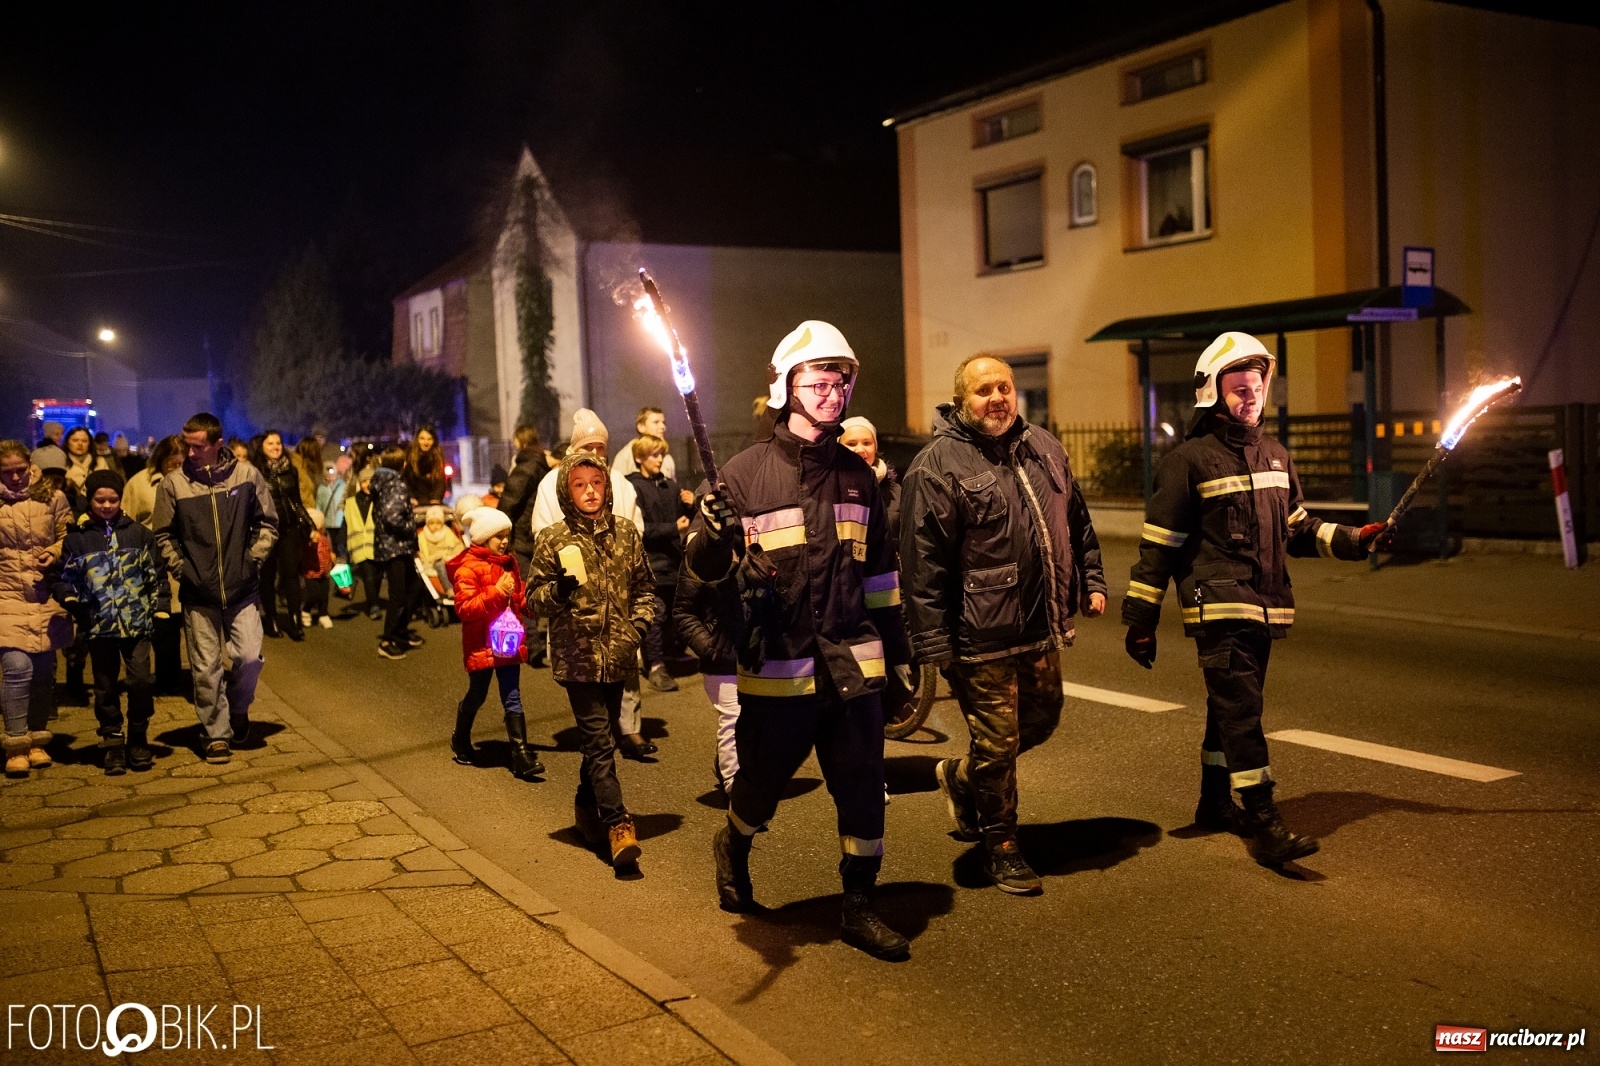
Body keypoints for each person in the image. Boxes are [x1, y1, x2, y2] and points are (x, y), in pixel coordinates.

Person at [1121, 332, 1393, 867]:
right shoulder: (1189, 462)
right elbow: (1160, 547)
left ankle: (1214, 802)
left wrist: (1356, 541)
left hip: (1266, 602)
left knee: (1229, 710)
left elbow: (1296, 527)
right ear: (1213, 394)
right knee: (1243, 711)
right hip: (1219, 606)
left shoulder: (1275, 455)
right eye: (1239, 389)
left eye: (1257, 387)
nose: (1251, 398)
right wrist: (1141, 619)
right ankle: (1265, 822)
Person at [689, 319, 913, 961]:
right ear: (787, 386)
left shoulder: (858, 477)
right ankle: (733, 841)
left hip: (852, 669)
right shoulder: (740, 474)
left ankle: (859, 906)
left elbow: (881, 578)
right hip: (779, 672)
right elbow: (701, 576)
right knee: (759, 790)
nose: (830, 390)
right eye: (816, 378)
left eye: (840, 380)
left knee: (864, 788)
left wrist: (897, 663)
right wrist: (710, 535)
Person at [900, 355, 1107, 895]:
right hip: (978, 635)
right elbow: (923, 564)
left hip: (1039, 623)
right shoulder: (936, 466)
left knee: (1042, 719)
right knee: (997, 745)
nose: (997, 397)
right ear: (961, 401)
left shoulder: (1045, 448)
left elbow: (1076, 521)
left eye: (1005, 387)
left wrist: (1094, 580)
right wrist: (933, 643)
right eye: (983, 390)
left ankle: (958, 777)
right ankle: (1003, 845)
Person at [528, 452, 654, 869]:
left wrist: (636, 629)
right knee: (600, 743)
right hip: (578, 658)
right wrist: (558, 592)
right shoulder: (552, 539)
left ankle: (586, 810)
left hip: (617, 657)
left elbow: (645, 590)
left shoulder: (626, 535)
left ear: (607, 486)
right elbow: (532, 602)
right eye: (579, 485)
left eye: (596, 483)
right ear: (567, 491)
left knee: (599, 745)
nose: (589, 492)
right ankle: (619, 828)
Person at [151, 413, 278, 765]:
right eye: (186, 444)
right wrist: (183, 570)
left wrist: (251, 561)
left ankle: (239, 709)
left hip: (242, 589)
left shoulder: (247, 476)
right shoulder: (173, 485)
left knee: (249, 657)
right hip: (198, 594)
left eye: (197, 446)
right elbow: (163, 535)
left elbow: (267, 522)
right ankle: (216, 733)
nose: (189, 452)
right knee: (205, 668)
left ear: (217, 444)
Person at [529, 409, 651, 757]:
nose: (597, 454)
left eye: (601, 447)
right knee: (587, 670)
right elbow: (544, 533)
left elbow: (634, 527)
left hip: (618, 588)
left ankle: (630, 728)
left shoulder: (620, 484)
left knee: (625, 658)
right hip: (577, 595)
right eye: (589, 446)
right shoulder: (552, 485)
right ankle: (599, 734)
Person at [54, 469, 163, 774]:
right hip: (99, 625)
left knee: (140, 680)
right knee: (104, 687)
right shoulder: (78, 539)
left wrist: (160, 605)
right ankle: (112, 742)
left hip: (136, 623)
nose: (106, 505)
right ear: (89, 500)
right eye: (99, 499)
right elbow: (63, 576)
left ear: (120, 500)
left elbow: (155, 572)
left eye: (112, 499)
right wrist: (70, 599)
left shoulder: (139, 534)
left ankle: (138, 736)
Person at [449, 507, 544, 781]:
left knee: (512, 696)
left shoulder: (507, 563)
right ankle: (461, 738)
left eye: (507, 535)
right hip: (481, 644)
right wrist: (496, 592)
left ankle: (521, 753)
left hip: (508, 641)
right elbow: (465, 608)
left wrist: (538, 605)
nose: (504, 541)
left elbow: (520, 600)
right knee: (477, 695)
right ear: (482, 537)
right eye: (498, 536)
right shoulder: (467, 569)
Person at [0, 440, 72, 776]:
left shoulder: (52, 496)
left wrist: (55, 553)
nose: (15, 478)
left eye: (19, 470)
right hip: (7, 596)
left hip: (45, 596)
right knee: (16, 667)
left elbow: (67, 534)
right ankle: (16, 743)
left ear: (30, 465)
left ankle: (38, 740)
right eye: (6, 472)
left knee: (43, 672)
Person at [625, 435, 692, 693]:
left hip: (673, 564)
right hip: (650, 563)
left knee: (672, 615)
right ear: (640, 458)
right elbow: (638, 528)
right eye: (654, 455)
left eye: (661, 454)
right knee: (656, 614)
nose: (660, 459)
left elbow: (687, 520)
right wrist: (672, 528)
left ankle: (668, 654)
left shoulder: (670, 487)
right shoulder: (633, 487)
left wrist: (691, 505)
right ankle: (655, 665)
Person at [123, 435, 186, 694]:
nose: (177, 462)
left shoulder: (193, 481)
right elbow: (127, 520)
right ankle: (160, 679)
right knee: (160, 623)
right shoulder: (140, 484)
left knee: (181, 622)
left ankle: (175, 678)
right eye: (172, 458)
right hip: (150, 563)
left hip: (184, 560)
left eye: (182, 458)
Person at [673, 559, 741, 794]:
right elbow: (683, 613)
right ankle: (735, 791)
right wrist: (710, 649)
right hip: (722, 659)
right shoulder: (701, 552)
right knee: (734, 720)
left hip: (762, 655)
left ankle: (725, 767)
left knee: (765, 725)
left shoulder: (763, 536)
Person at [253, 431, 311, 641]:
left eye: (278, 443)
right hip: (266, 530)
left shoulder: (290, 470)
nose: (276, 447)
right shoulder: (255, 471)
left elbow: (296, 501)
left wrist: (308, 523)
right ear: (262, 447)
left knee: (291, 574)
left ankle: (295, 620)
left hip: (288, 529)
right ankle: (272, 619)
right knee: (267, 577)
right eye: (271, 443)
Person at [372, 446, 422, 660]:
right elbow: (392, 517)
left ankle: (400, 631)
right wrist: (410, 525)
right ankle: (388, 639)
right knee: (398, 595)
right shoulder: (396, 483)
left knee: (414, 587)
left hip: (393, 545)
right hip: (396, 546)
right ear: (401, 464)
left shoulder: (382, 482)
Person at [497, 425, 548, 576]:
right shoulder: (540, 462)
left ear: (520, 440)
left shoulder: (527, 466)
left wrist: (499, 530)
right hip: (532, 532)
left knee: (521, 584)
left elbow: (509, 501)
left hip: (521, 535)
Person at [839, 417, 901, 542]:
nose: (861, 450)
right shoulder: (828, 489)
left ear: (875, 447)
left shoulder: (895, 492)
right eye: (851, 444)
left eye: (867, 443)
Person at [342, 466, 382, 621]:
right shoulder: (351, 502)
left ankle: (373, 600)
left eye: (371, 481)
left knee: (377, 576)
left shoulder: (380, 500)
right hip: (359, 547)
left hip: (377, 546)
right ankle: (373, 606)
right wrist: (340, 546)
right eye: (365, 481)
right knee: (369, 575)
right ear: (360, 483)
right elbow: (345, 525)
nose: (368, 485)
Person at [612, 406, 678, 481]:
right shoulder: (626, 456)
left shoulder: (667, 458)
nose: (663, 426)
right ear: (641, 427)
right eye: (656, 422)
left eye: (663, 422)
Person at [418, 505, 464, 599]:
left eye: (438, 523)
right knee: (440, 565)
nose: (435, 526)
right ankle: (449, 589)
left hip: (449, 556)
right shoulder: (423, 536)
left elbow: (458, 546)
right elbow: (421, 553)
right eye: (432, 523)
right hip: (434, 560)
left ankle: (463, 589)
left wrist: (454, 555)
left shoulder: (447, 532)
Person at [300, 508, 334, 630]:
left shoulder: (325, 535)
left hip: (324, 571)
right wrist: (311, 541)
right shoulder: (307, 537)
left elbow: (328, 548)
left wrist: (331, 555)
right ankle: (306, 611)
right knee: (314, 594)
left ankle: (323, 615)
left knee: (324, 596)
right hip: (311, 571)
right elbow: (306, 550)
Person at [63, 426, 112, 501]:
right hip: (70, 506)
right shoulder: (62, 462)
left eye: (84, 441)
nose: (80, 444)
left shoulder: (100, 461)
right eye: (75, 440)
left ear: (89, 443)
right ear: (67, 442)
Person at [318, 454, 351, 560]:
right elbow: (319, 505)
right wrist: (319, 521)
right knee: (331, 547)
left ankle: (341, 563)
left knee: (340, 545)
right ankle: (333, 565)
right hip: (328, 523)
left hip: (340, 521)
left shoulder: (342, 485)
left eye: (332, 474)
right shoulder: (321, 489)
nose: (330, 476)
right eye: (327, 474)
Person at [404, 427, 447, 506]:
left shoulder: (438, 456)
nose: (426, 442)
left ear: (434, 440)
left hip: (433, 501)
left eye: (429, 439)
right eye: (422, 438)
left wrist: (436, 498)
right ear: (417, 439)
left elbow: (441, 480)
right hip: (415, 501)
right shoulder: (410, 456)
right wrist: (411, 497)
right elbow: (406, 480)